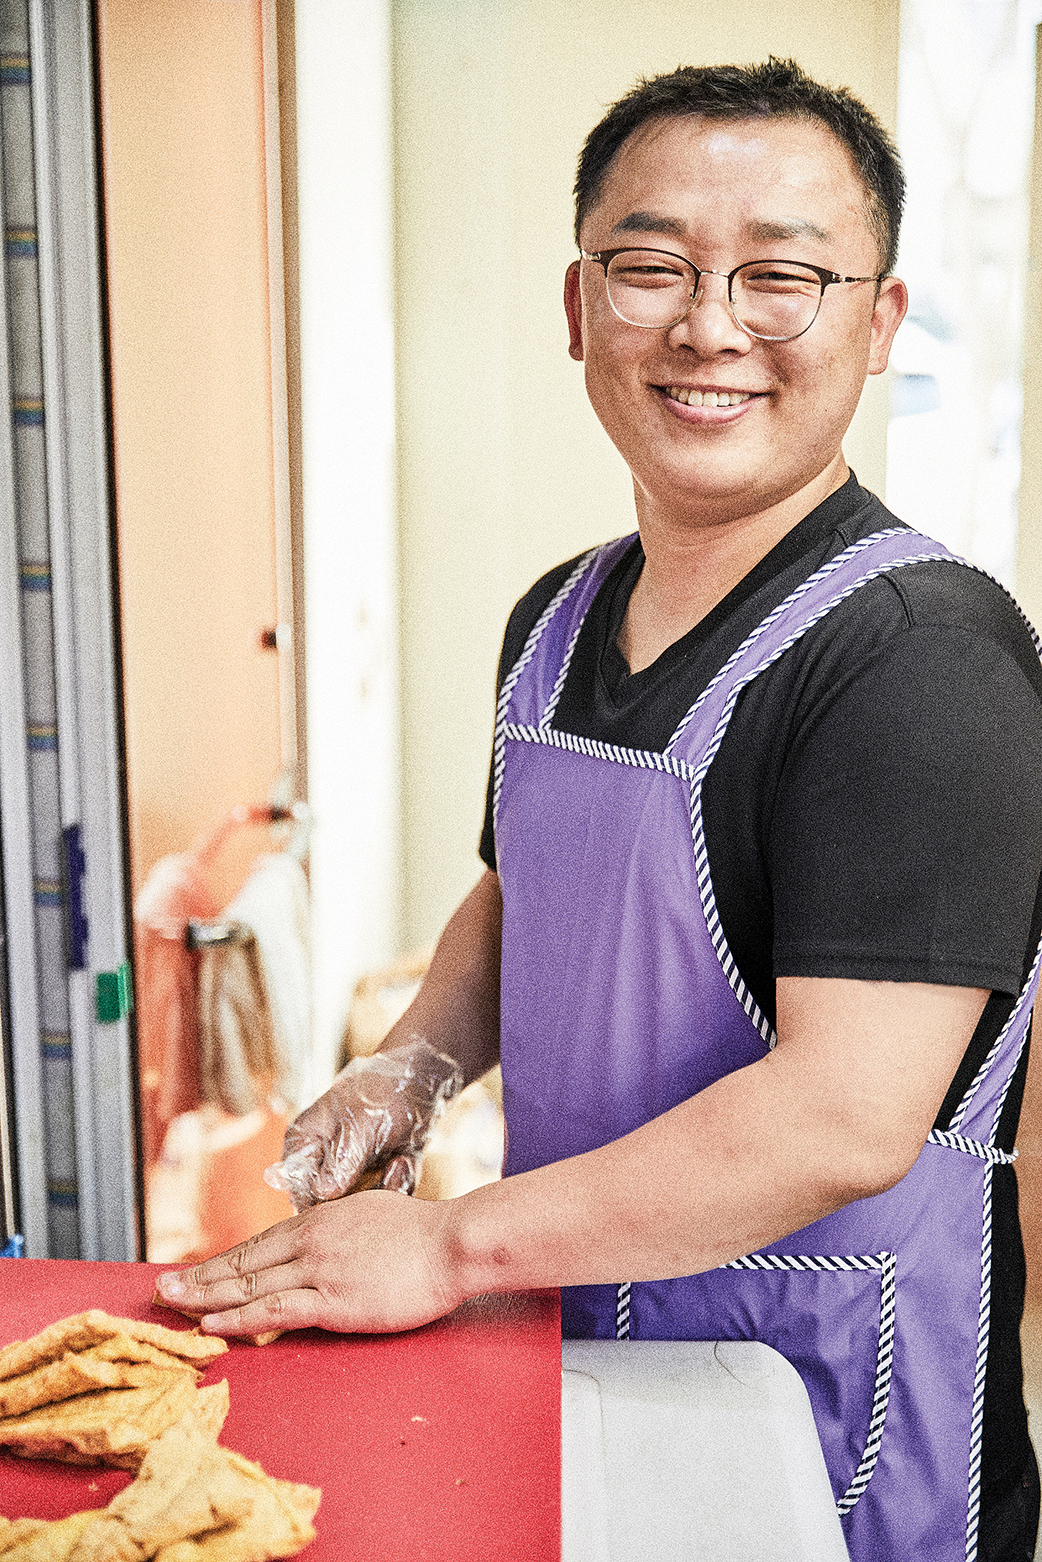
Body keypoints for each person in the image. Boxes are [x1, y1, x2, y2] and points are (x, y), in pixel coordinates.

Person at [158, 59, 1042, 1561]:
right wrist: (419, 1062)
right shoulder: (556, 618)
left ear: (876, 323)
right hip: (574, 1329)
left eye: (781, 275)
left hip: (826, 1400)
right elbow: (524, 897)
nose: (708, 327)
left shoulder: (918, 664)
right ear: (579, 307)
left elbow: (841, 1117)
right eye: (653, 268)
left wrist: (443, 1242)